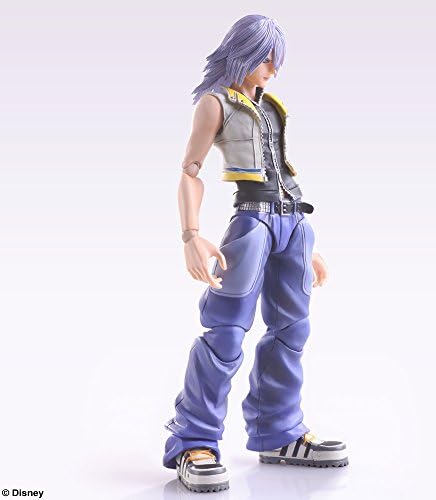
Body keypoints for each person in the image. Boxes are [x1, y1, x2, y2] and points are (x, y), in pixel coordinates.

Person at [163, 14, 348, 493]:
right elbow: (190, 169)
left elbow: (281, 170)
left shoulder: (269, 106)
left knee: (292, 330)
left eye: (276, 59)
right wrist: (191, 235)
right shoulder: (215, 103)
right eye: (265, 58)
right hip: (252, 222)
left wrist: (307, 243)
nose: (273, 68)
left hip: (293, 222)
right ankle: (193, 441)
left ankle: (279, 432)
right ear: (242, 52)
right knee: (225, 331)